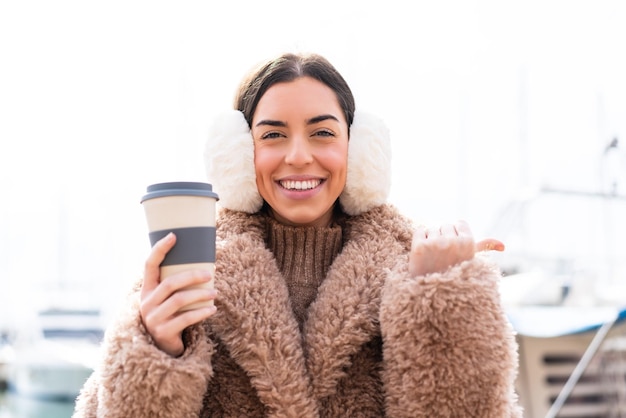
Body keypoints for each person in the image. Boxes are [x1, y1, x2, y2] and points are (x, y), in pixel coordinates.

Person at [73, 52, 522, 417]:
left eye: (323, 132)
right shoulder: (189, 269)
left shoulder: (420, 266)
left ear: (360, 147)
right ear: (240, 152)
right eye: (273, 135)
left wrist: (440, 306)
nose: (299, 156)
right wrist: (157, 352)